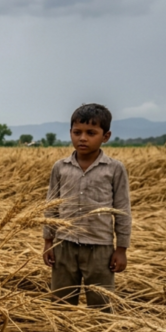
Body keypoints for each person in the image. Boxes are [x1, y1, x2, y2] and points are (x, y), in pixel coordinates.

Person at [42, 103, 131, 310]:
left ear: (105, 136)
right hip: (64, 245)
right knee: (61, 304)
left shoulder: (115, 169)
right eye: (77, 132)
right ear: (70, 133)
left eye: (91, 133)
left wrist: (121, 249)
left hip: (100, 249)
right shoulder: (60, 167)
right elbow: (50, 206)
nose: (82, 138)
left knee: (101, 307)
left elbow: (122, 210)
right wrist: (48, 241)